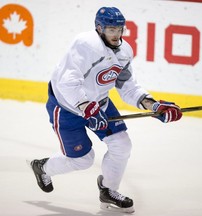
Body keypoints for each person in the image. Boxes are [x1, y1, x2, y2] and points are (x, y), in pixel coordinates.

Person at [30, 6, 182, 213]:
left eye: (120, 29)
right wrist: (86, 108)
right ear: (99, 28)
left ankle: (108, 191)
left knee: (122, 145)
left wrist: (152, 105)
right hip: (67, 108)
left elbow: (127, 87)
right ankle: (43, 167)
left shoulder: (125, 51)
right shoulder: (85, 44)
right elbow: (67, 83)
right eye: (111, 29)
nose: (116, 34)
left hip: (100, 103)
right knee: (83, 160)